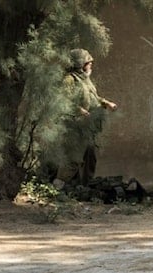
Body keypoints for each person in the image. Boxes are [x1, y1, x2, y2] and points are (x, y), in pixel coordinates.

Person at [59, 48, 117, 186]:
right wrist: (79, 110)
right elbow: (63, 100)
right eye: (88, 62)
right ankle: (60, 185)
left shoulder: (85, 80)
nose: (91, 65)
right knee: (74, 158)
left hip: (88, 126)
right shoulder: (69, 80)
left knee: (91, 155)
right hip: (75, 125)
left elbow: (94, 97)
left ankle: (85, 186)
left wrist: (106, 103)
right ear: (80, 63)